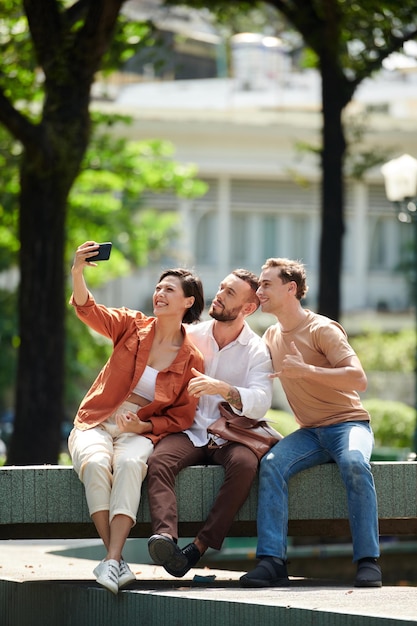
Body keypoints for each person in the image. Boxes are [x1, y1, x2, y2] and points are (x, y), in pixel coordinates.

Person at [68, 241, 204, 594]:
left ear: (188, 302)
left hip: (139, 431)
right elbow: (89, 309)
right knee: (97, 464)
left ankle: (111, 560)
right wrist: (78, 273)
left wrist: (144, 426)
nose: (159, 293)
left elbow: (182, 416)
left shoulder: (192, 359)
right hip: (97, 418)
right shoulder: (131, 325)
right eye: (158, 288)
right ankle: (114, 560)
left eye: (169, 290)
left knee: (130, 466)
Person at [240, 257, 382, 589]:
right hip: (308, 433)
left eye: (266, 284)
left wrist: (308, 371)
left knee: (355, 462)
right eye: (259, 284)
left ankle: (368, 561)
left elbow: (358, 379)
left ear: (291, 288)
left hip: (349, 425)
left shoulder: (322, 329)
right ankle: (272, 561)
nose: (259, 290)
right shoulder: (271, 335)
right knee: (271, 464)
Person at [146, 269, 273, 577]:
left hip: (229, 435)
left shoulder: (256, 350)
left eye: (230, 293)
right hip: (188, 428)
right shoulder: (191, 334)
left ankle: (198, 547)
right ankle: (165, 536)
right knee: (159, 460)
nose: (218, 295)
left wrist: (224, 389)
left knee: (245, 464)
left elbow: (261, 401)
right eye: (221, 288)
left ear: (247, 308)